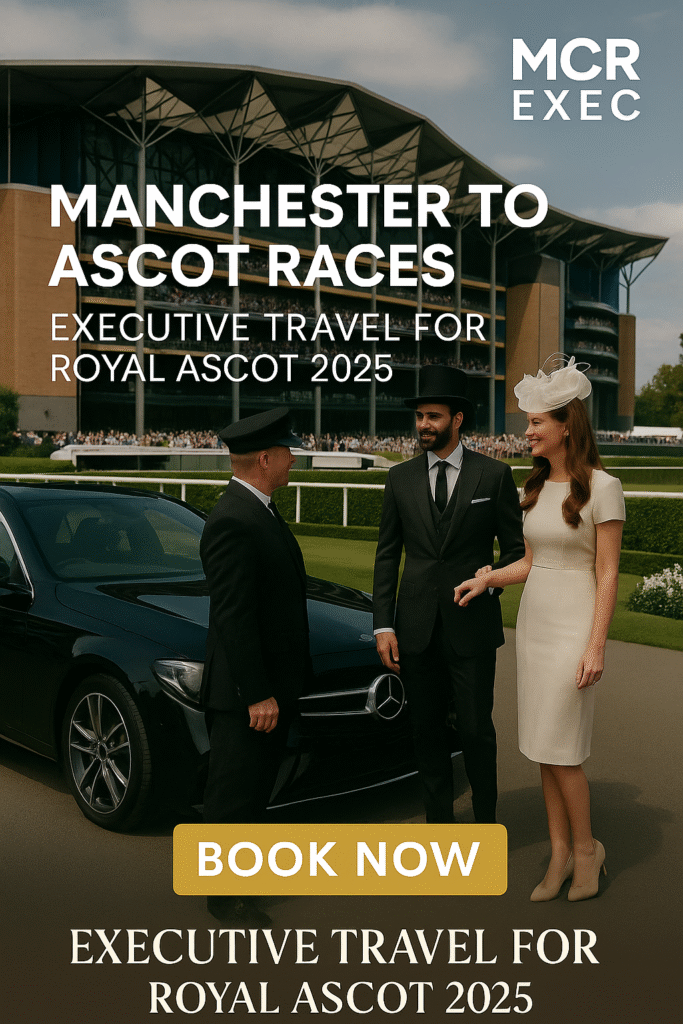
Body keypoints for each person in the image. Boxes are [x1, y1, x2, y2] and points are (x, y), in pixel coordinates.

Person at [454, 357, 625, 901]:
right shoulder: (532, 486)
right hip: (536, 623)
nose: (525, 432)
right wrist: (489, 579)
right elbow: (531, 562)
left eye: (534, 423)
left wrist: (595, 645)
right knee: (545, 748)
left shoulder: (604, 486)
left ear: (566, 425)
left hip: (576, 627)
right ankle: (558, 857)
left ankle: (588, 851)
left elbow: (607, 571)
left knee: (565, 751)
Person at [373, 365, 525, 824]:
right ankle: (440, 830)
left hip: (472, 626)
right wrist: (383, 623)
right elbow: (386, 555)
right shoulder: (398, 479)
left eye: (433, 416)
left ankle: (485, 826)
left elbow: (517, 551)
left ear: (457, 419)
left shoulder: (494, 475)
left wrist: (490, 578)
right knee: (426, 733)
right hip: (414, 630)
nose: (423, 425)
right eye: (420, 416)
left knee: (477, 732)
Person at [200, 406, 310, 923]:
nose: (293, 460)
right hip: (247, 697)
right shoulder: (233, 520)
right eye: (288, 452)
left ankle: (240, 885)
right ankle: (224, 903)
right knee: (234, 797)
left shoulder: (257, 510)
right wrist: (257, 692)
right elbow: (234, 617)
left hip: (266, 691)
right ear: (266, 458)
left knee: (252, 797)